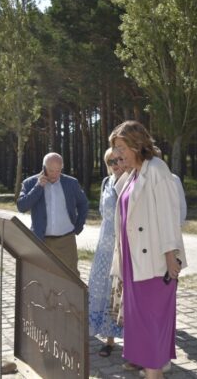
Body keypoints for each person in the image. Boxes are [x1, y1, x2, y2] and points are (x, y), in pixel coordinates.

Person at [109, 121, 187, 379]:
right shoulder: (132, 174)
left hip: (155, 260)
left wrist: (169, 255)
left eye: (121, 147)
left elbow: (168, 214)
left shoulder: (157, 168)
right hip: (134, 261)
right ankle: (152, 370)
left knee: (152, 320)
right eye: (115, 148)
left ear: (136, 143)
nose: (117, 154)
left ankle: (155, 374)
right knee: (141, 321)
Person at [16, 152, 88, 275]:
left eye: (58, 170)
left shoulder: (71, 183)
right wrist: (38, 187)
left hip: (66, 240)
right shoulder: (30, 183)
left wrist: (78, 226)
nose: (54, 174)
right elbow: (22, 207)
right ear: (44, 168)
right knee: (43, 276)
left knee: (71, 277)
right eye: (51, 170)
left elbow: (83, 204)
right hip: (41, 240)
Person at [88, 148, 128, 357]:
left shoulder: (132, 181)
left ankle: (133, 343)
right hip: (105, 243)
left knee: (123, 292)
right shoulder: (106, 182)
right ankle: (109, 339)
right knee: (103, 289)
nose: (115, 164)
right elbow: (104, 213)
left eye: (118, 160)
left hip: (124, 242)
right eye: (110, 161)